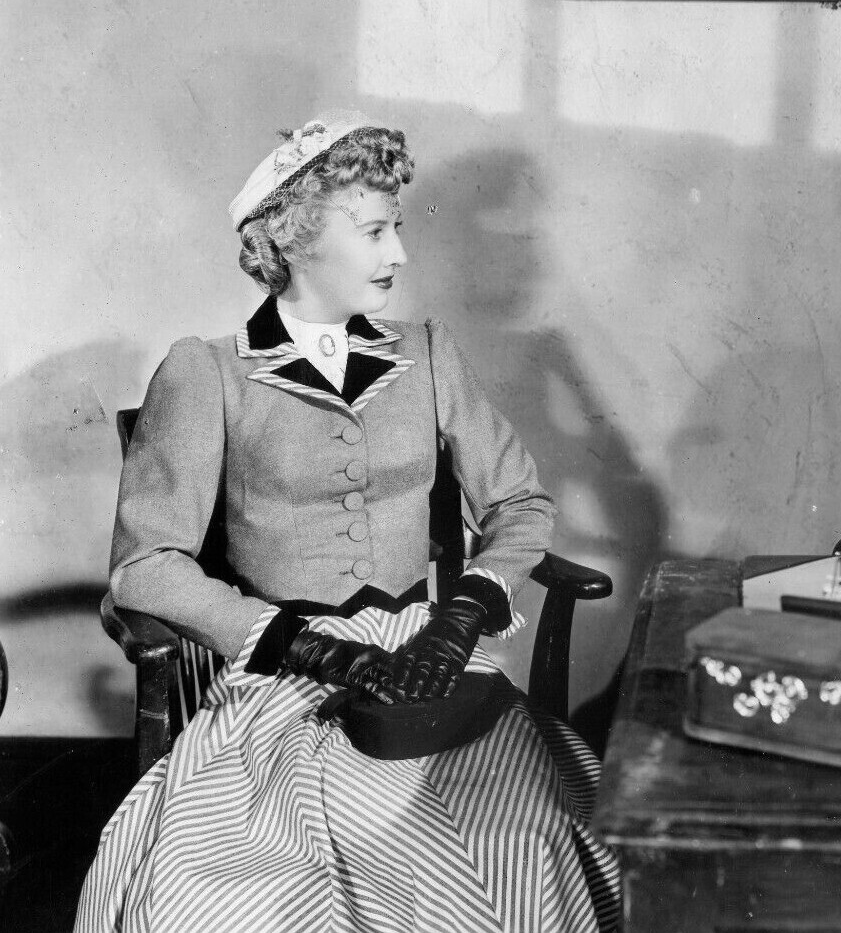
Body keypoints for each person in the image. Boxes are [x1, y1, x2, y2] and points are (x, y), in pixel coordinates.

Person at [76, 111, 620, 933]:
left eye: (396, 228)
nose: (398, 252)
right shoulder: (207, 371)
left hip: (430, 663)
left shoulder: (426, 352)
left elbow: (520, 504)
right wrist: (307, 648)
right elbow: (145, 565)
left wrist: (464, 614)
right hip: (284, 677)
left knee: (526, 832)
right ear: (295, 238)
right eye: (373, 232)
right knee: (237, 885)